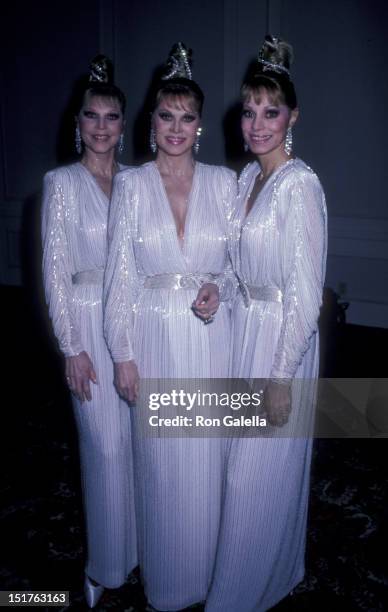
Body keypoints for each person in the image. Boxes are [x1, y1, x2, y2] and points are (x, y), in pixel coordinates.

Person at [104, 43, 236, 611]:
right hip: (153, 335)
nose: (175, 128)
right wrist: (123, 353)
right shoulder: (131, 186)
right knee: (161, 465)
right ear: (150, 120)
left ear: (200, 125)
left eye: (186, 118)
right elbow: (117, 277)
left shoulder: (225, 183)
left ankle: (209, 578)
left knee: (208, 462)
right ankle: (168, 583)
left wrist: (220, 288)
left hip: (211, 338)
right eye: (165, 116)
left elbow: (236, 263)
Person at [205, 36, 327, 611]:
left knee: (256, 475)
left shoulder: (299, 186)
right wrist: (215, 289)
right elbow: (236, 268)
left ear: (292, 115)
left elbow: (305, 293)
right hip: (242, 332)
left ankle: (239, 597)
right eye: (249, 111)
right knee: (241, 470)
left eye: (270, 111)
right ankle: (266, 575)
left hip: (281, 338)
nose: (257, 124)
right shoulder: (245, 181)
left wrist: (282, 375)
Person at [41, 55, 137, 608]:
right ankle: (104, 564)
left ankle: (136, 547)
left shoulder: (136, 181)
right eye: (91, 116)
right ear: (77, 122)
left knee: (137, 449)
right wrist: (70, 347)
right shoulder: (60, 184)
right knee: (102, 450)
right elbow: (54, 270)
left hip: (135, 326)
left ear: (124, 125)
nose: (101, 126)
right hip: (85, 318)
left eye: (111, 117)